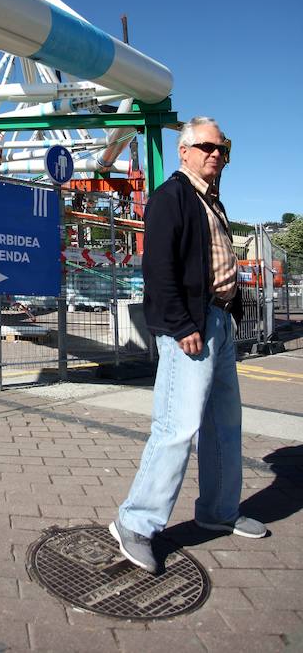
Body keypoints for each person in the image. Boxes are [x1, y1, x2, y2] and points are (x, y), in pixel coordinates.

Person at [109, 116, 266, 574]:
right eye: (207, 147)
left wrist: (226, 315)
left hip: (218, 321)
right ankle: (135, 523)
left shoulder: (211, 200)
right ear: (184, 151)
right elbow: (158, 269)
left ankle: (218, 512)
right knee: (176, 427)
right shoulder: (171, 197)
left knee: (223, 423)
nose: (216, 154)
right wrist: (181, 324)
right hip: (191, 328)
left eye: (223, 149)